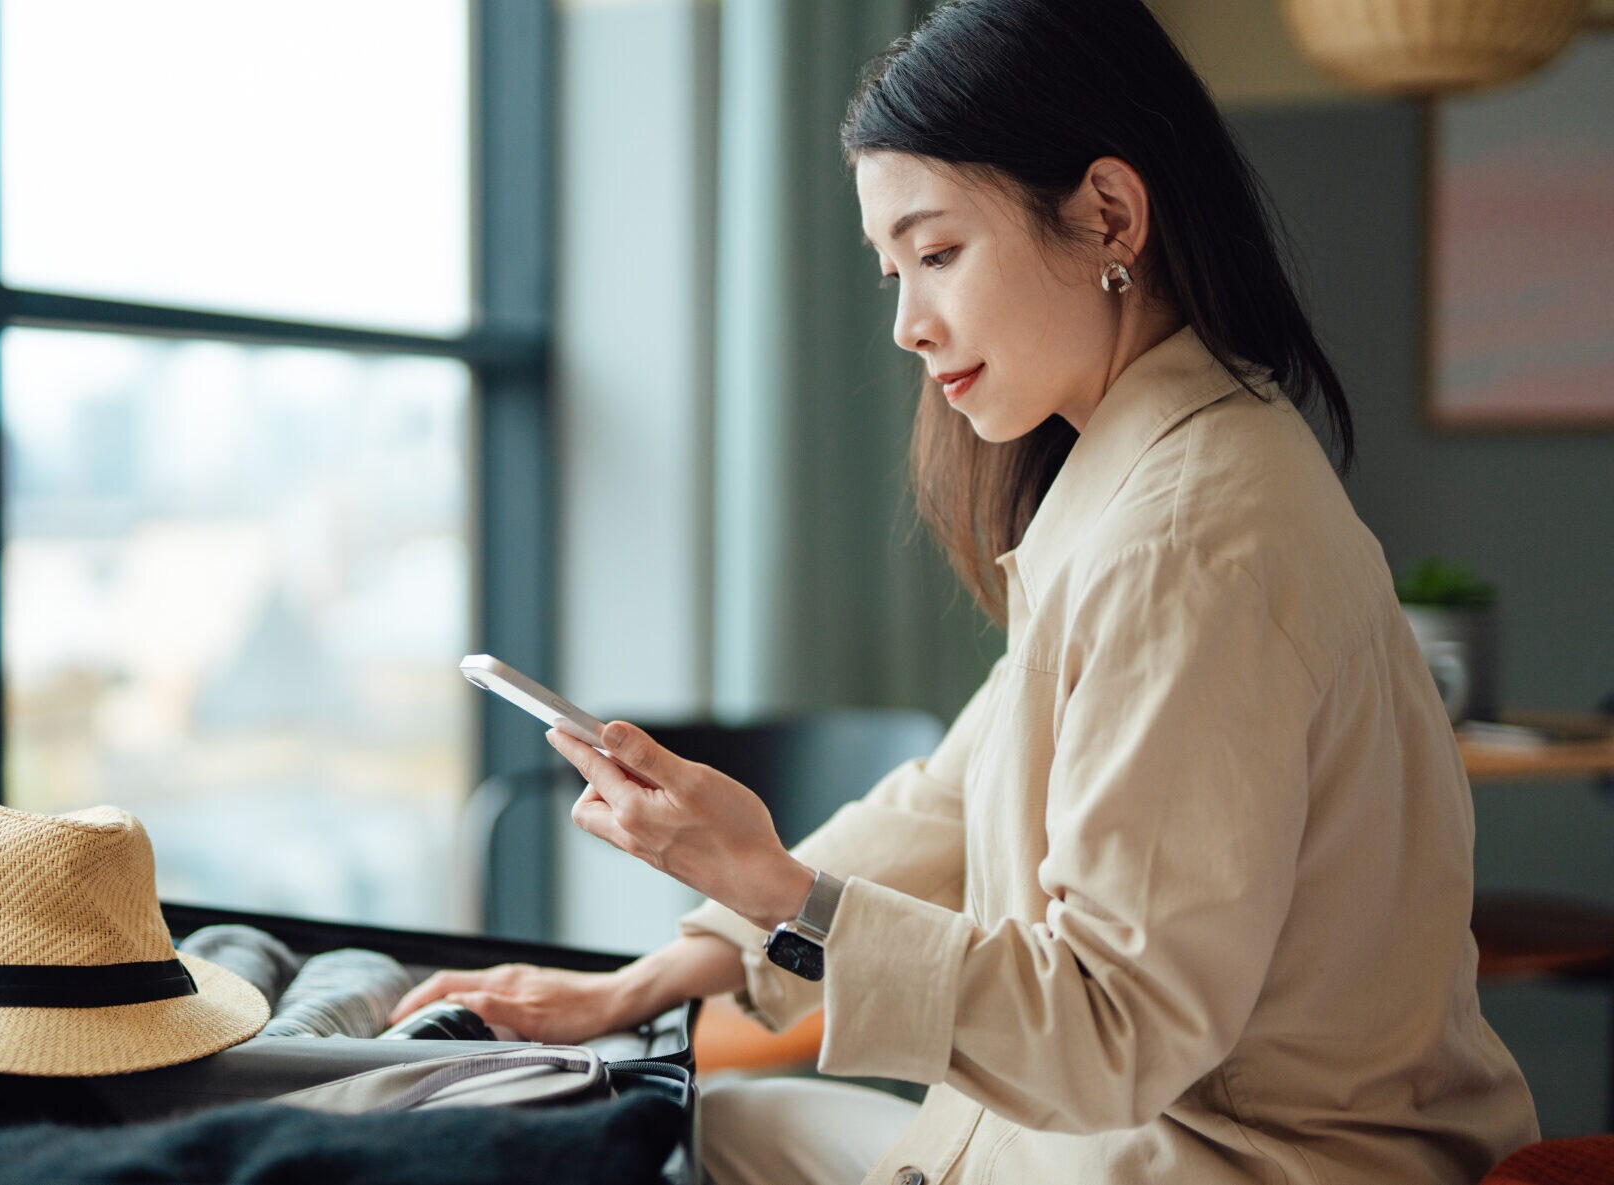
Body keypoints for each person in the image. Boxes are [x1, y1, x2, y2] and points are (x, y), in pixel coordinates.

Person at [389, 1, 1540, 1181]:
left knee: (650, 1150)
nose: (905, 325)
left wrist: (770, 881)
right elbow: (947, 798)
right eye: (892, 271)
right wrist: (653, 974)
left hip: (1231, 1161)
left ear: (1107, 214)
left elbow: (1112, 1032)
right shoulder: (1146, 472)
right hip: (1121, 1139)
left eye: (935, 253)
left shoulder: (1185, 538)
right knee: (703, 1128)